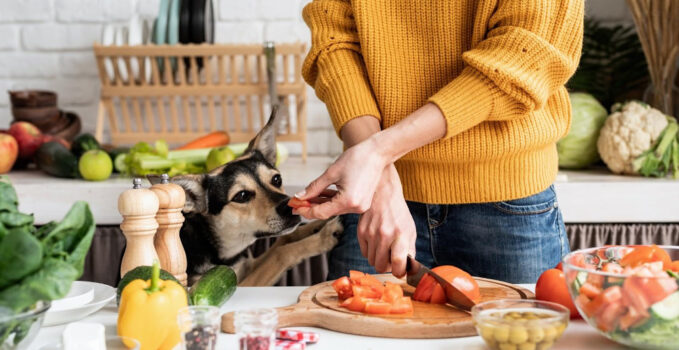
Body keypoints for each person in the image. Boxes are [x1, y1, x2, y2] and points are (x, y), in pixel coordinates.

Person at [296, 0, 584, 283]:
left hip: (508, 203)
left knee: (521, 331)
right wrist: (379, 176)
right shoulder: (376, 177)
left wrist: (377, 154)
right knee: (350, 329)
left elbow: (524, 56)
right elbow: (334, 42)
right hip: (375, 200)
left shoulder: (375, 159)